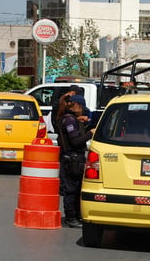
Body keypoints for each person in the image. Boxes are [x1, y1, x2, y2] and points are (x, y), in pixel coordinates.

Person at [57, 95, 95, 228]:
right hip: (71, 159)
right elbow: (75, 141)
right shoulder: (69, 121)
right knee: (71, 190)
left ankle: (77, 216)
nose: (83, 110)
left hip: (74, 159)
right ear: (77, 105)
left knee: (78, 189)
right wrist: (90, 133)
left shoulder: (71, 119)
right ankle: (71, 218)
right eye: (82, 107)